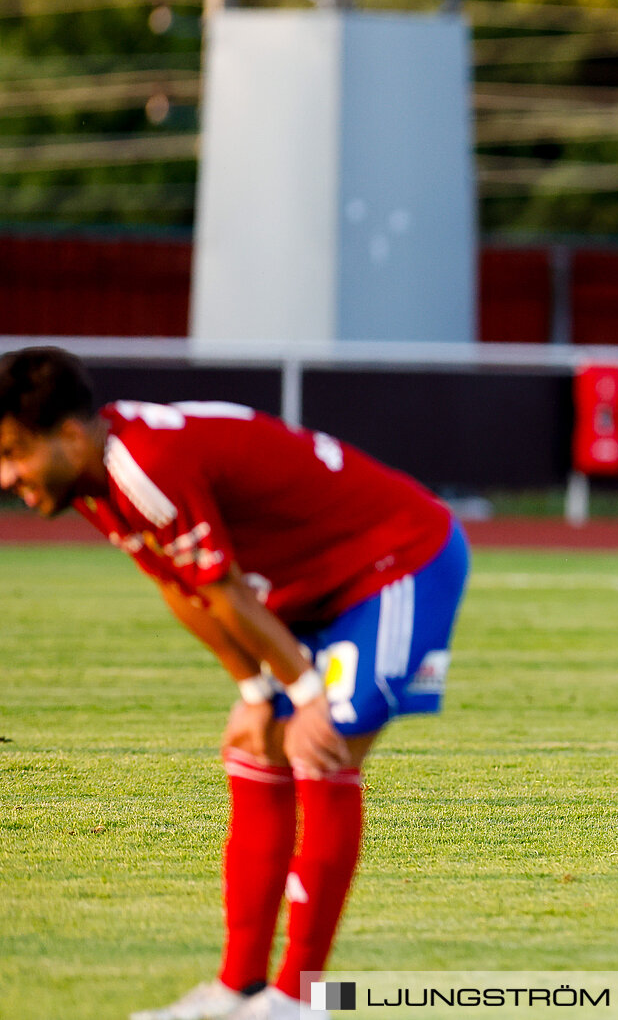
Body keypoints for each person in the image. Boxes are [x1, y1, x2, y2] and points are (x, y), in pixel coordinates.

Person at [0, 347, 469, 1020]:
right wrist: (255, 692)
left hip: (396, 561)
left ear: (69, 436)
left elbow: (219, 588)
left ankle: (299, 999)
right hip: (314, 588)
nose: (7, 473)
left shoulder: (143, 466)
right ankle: (238, 988)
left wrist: (304, 695)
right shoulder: (93, 479)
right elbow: (181, 588)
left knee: (319, 745)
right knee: (253, 749)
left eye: (16, 452)